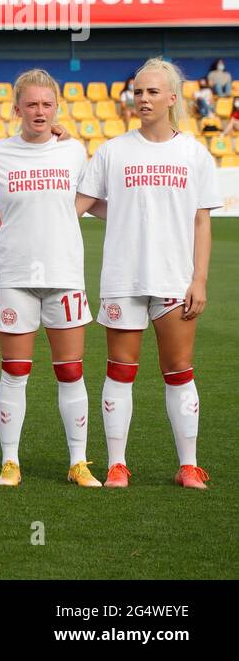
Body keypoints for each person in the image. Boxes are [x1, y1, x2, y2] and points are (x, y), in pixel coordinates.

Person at [76, 58, 219, 490]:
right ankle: (117, 464)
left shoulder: (194, 153)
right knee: (120, 369)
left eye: (153, 92)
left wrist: (199, 279)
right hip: (123, 276)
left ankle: (188, 465)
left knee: (178, 369)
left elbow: (201, 222)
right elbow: (80, 205)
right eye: (138, 92)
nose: (143, 99)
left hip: (176, 279)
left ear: (173, 98)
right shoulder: (113, 151)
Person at [0, 69, 99, 487]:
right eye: (31, 104)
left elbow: (86, 199)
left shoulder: (74, 152)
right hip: (16, 275)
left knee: (71, 371)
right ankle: (10, 462)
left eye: (47, 104)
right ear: (17, 108)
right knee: (15, 370)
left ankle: (78, 463)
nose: (39, 111)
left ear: (57, 108)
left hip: (65, 273)